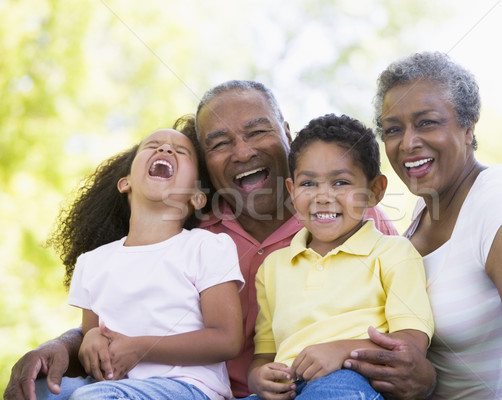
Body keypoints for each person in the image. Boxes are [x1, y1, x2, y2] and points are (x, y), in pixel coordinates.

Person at [5, 81, 398, 400]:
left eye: (258, 131)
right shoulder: (194, 236)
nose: (243, 151)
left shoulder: (353, 219)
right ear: (205, 166)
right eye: (220, 143)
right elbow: (116, 318)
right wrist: (64, 343)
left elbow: (410, 312)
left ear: (287, 135)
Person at [343, 51, 502, 399]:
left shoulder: (500, 206)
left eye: (426, 122)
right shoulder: (421, 212)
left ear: (468, 127)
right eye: (393, 129)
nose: (407, 143)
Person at [34, 128, 245, 400]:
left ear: (196, 196)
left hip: (187, 386)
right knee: (39, 390)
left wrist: (141, 348)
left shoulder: (206, 246)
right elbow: (92, 332)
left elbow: (226, 340)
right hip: (113, 386)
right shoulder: (93, 262)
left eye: (180, 152)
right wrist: (91, 340)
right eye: (153, 146)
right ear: (125, 183)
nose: (166, 150)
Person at [244, 114, 434, 400]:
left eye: (341, 182)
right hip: (289, 386)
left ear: (374, 191)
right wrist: (259, 378)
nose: (323, 196)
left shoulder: (394, 253)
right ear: (291, 191)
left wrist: (342, 350)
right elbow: (265, 355)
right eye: (309, 184)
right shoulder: (272, 267)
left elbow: (411, 345)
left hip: (353, 379)